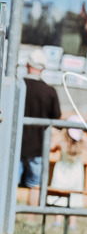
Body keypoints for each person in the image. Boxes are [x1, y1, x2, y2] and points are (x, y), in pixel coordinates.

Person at [18, 49, 61, 219]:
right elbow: (56, 117)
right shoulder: (49, 92)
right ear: (43, 68)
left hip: (15, 143)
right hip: (38, 145)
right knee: (35, 184)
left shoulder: (18, 86)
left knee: (8, 180)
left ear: (28, 64)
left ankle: (4, 217)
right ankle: (30, 218)